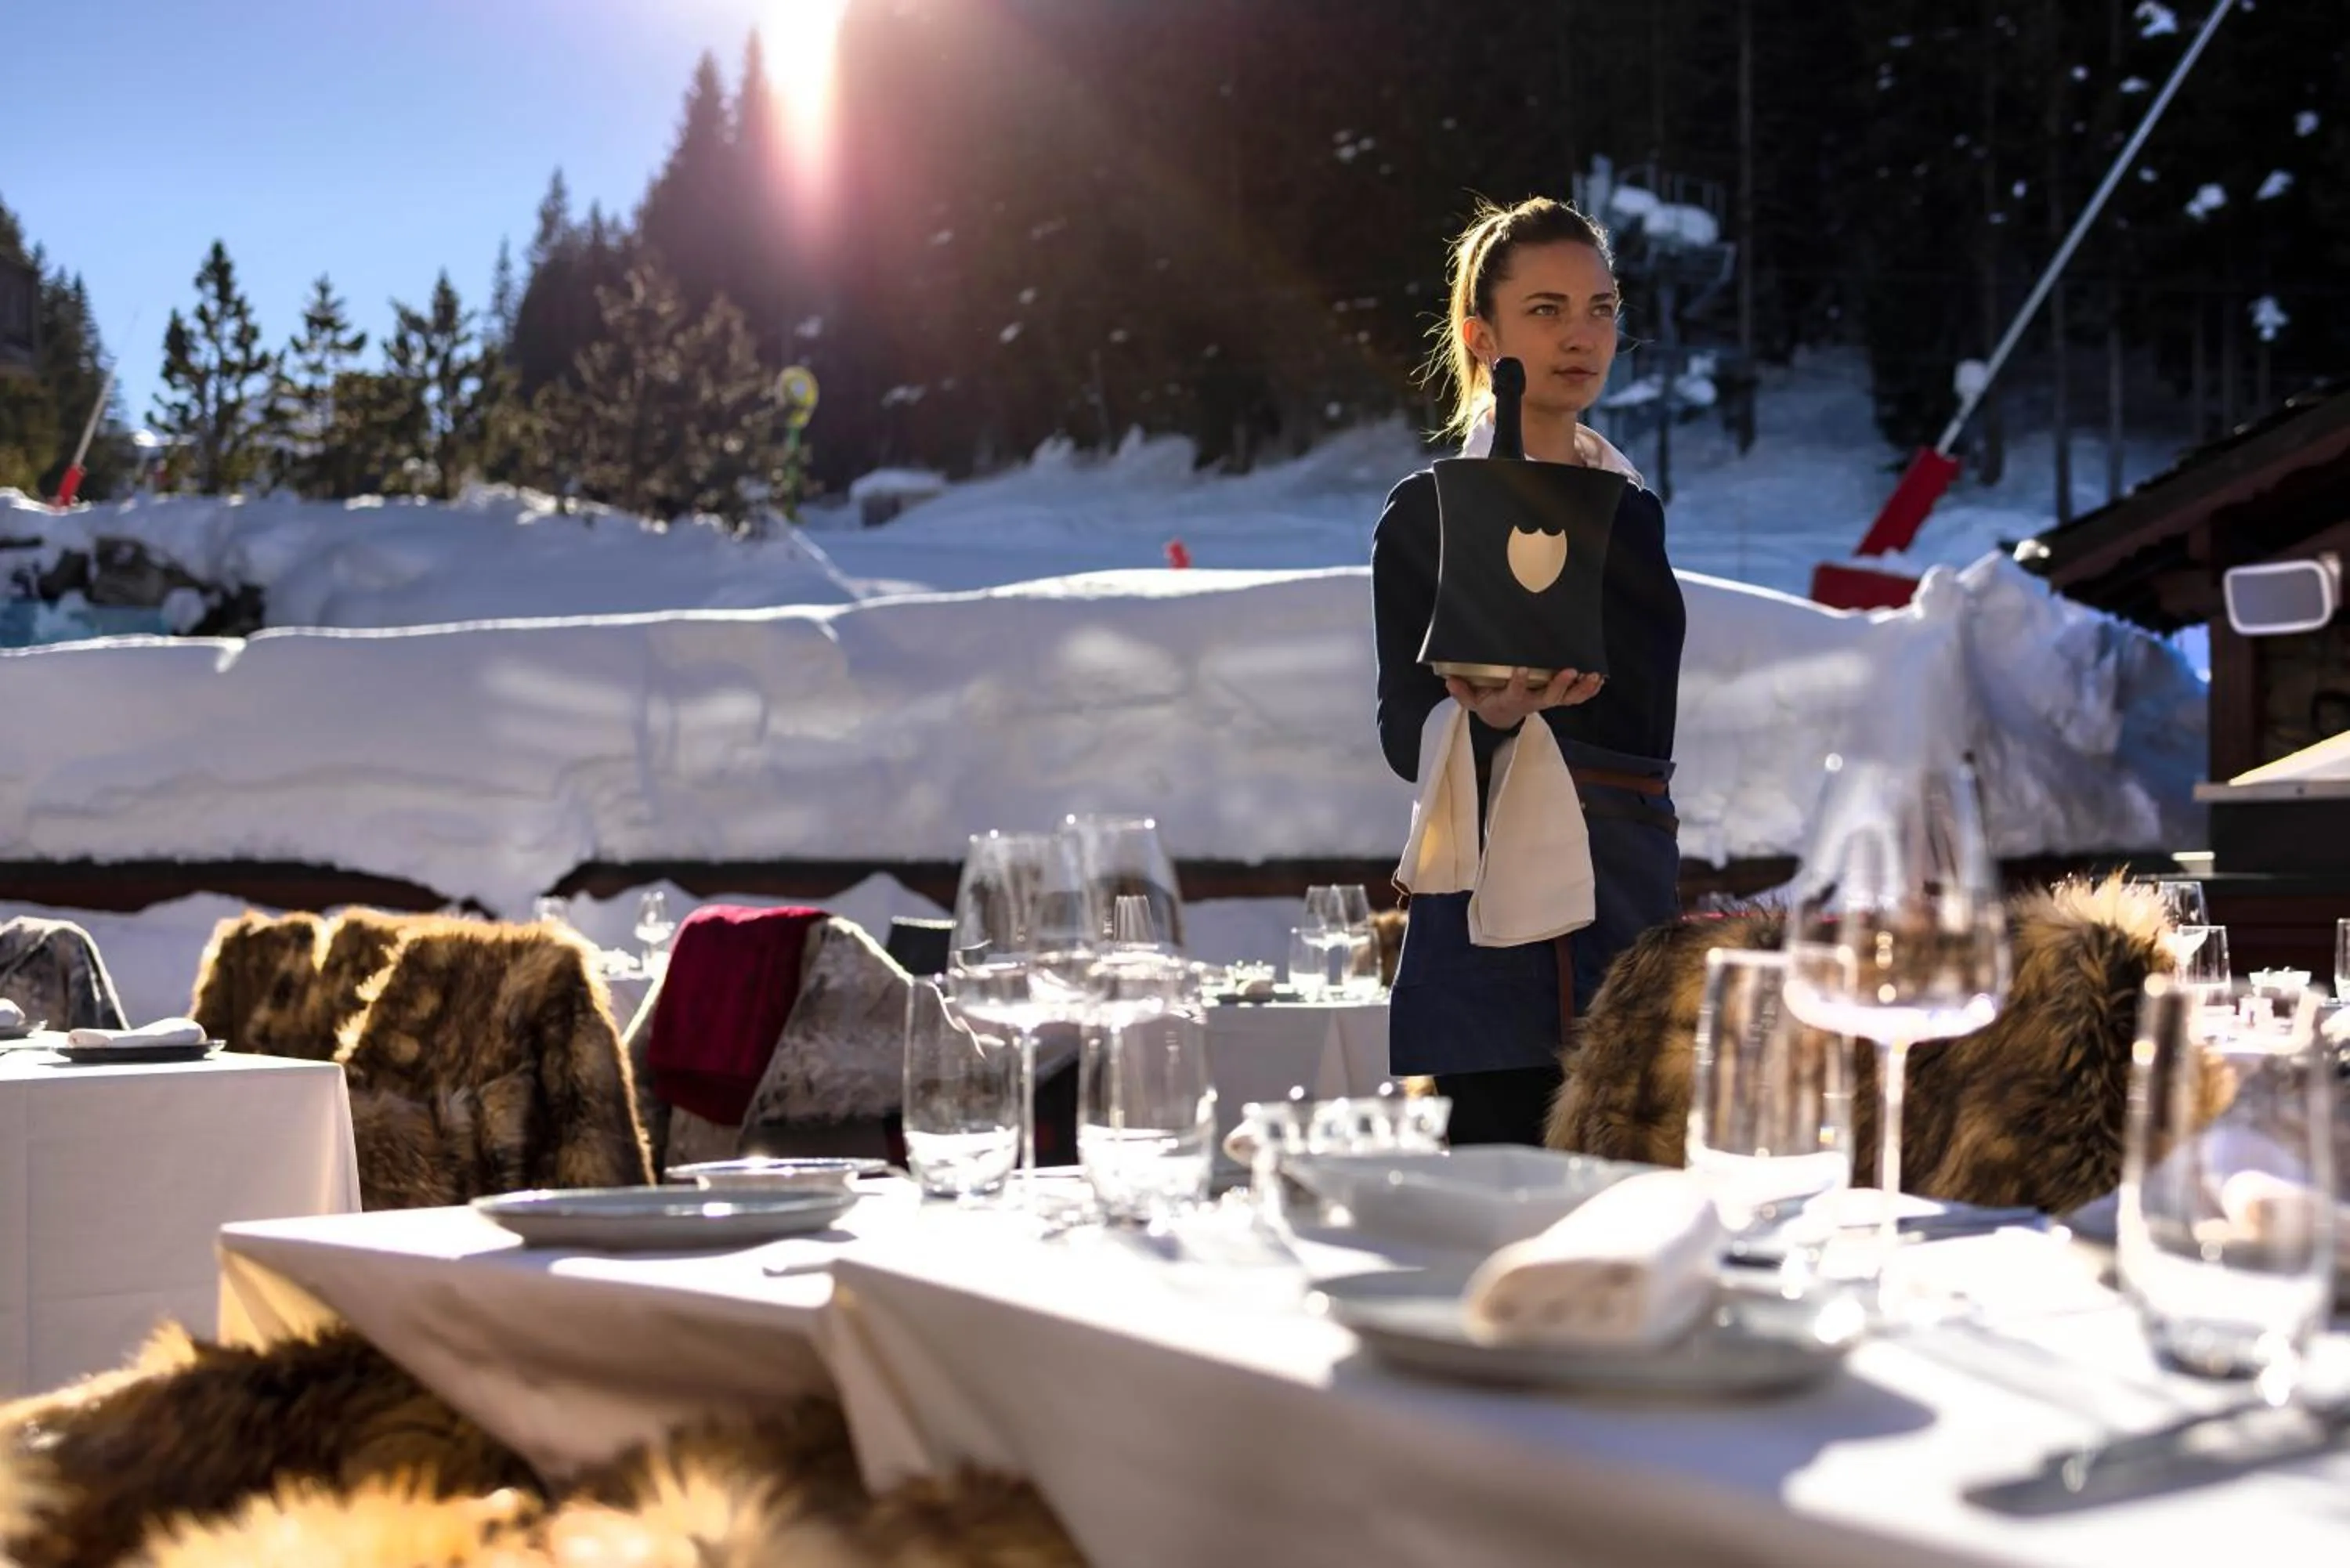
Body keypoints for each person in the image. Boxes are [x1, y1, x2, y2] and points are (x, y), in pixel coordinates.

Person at [1372, 196, 1687, 1147]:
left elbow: (1646, 725)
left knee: (1631, 1184)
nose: (1582, 335)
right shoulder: (1424, 514)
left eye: (1600, 307)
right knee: (1501, 1181)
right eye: (1546, 309)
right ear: (1483, 332)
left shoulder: (1632, 510)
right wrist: (1491, 717)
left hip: (1625, 884)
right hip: (1487, 901)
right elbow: (1402, 724)